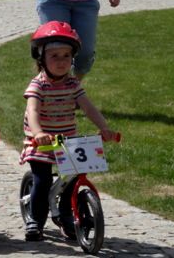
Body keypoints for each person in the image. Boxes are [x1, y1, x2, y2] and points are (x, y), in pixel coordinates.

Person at [20, 21, 118, 241]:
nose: (61, 61)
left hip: (67, 141)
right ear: (41, 59)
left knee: (73, 179)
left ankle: (66, 216)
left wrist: (103, 127)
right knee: (42, 180)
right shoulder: (38, 85)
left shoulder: (73, 84)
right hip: (41, 142)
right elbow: (33, 110)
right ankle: (35, 219)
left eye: (66, 56)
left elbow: (88, 107)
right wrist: (37, 133)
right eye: (54, 56)